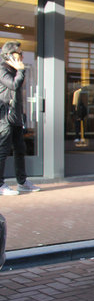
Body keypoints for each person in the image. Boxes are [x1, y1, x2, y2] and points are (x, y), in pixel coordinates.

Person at [0, 41, 40, 195]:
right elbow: (14, 85)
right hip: (5, 117)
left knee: (20, 149)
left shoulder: (14, 69)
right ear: (9, 55)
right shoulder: (2, 69)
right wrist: (21, 71)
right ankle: (0, 185)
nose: (22, 56)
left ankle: (22, 182)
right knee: (3, 150)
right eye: (19, 53)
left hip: (16, 117)